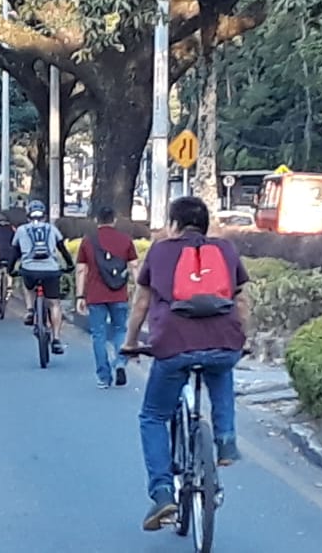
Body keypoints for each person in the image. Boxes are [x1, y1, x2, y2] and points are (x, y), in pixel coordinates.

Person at [123, 196, 250, 531]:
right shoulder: (225, 249)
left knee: (152, 416)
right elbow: (242, 300)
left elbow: (141, 305)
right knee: (221, 371)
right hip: (223, 339)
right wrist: (242, 338)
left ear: (174, 224)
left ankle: (163, 493)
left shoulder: (161, 251)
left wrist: (131, 342)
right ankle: (225, 441)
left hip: (173, 345)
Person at [75, 206, 140, 388]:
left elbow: (81, 269)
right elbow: (134, 267)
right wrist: (139, 290)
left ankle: (103, 377)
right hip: (119, 293)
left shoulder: (88, 241)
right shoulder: (125, 240)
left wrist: (80, 295)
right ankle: (120, 362)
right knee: (120, 329)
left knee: (99, 335)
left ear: (97, 220)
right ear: (114, 220)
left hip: (95, 295)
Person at [12, 199, 74, 354]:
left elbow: (15, 253)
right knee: (54, 304)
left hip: (29, 269)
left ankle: (30, 310)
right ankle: (57, 339)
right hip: (51, 270)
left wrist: (10, 269)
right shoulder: (52, 229)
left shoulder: (21, 230)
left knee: (27, 285)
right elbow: (63, 250)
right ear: (44, 216)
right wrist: (70, 265)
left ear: (28, 216)